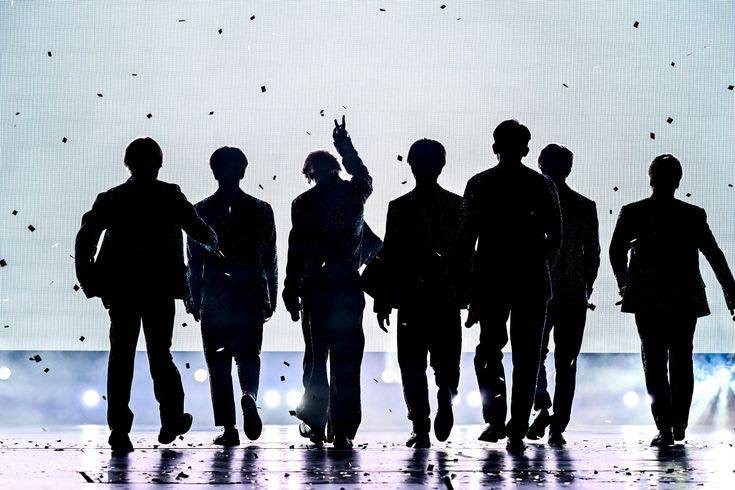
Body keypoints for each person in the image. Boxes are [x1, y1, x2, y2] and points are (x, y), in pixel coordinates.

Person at [75, 137, 219, 453]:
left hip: (122, 289)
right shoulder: (170, 195)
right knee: (160, 354)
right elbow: (197, 228)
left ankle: (119, 430)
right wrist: (217, 245)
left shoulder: (112, 198)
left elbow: (86, 238)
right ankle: (171, 419)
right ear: (159, 164)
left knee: (121, 356)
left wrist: (90, 280)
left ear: (128, 163)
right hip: (159, 289)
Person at [610, 154, 735, 447]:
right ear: (678, 181)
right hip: (684, 297)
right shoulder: (693, 215)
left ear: (650, 178)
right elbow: (715, 256)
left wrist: (624, 285)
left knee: (653, 361)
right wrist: (731, 295)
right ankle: (679, 423)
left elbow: (616, 251)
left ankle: (665, 426)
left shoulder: (633, 212)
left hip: (647, 298)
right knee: (681, 358)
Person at [464, 120, 561, 452]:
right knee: (527, 355)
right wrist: (535, 260)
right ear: (526, 149)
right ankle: (517, 426)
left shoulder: (479, 183)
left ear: (494, 147)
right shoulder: (541, 185)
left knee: (489, 351)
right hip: (531, 279)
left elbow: (466, 240)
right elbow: (555, 236)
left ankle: (496, 420)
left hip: (491, 279)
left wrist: (470, 287)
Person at [283, 116, 380, 449]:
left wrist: (289, 288)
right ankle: (344, 430)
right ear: (337, 168)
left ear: (310, 174)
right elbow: (363, 174)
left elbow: (297, 248)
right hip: (348, 285)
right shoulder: (355, 193)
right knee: (347, 361)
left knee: (315, 358)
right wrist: (345, 146)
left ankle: (315, 422)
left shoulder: (303, 203)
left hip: (315, 288)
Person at [370, 139, 472, 448]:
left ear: (411, 166)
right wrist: (469, 297)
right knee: (448, 360)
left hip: (411, 298)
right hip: (445, 297)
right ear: (441, 166)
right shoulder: (457, 206)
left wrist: (382, 299)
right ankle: (446, 395)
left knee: (411, 365)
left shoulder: (399, 207)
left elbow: (391, 256)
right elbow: (466, 256)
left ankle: (420, 427)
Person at [186, 147, 277, 446]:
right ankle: (249, 395)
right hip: (250, 292)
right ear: (243, 170)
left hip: (215, 294)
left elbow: (194, 262)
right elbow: (270, 258)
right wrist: (271, 296)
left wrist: (194, 298)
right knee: (249, 356)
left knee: (218, 362)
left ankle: (229, 428)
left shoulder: (200, 211)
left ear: (214, 171)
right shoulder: (262, 209)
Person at [526, 144, 600, 447]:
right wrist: (585, 286)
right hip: (573, 293)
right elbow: (593, 255)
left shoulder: (530, 204)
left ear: (540, 165)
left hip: (537, 291)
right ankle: (558, 426)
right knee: (566, 363)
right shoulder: (584, 206)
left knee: (532, 355)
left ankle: (541, 403)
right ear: (569, 168)